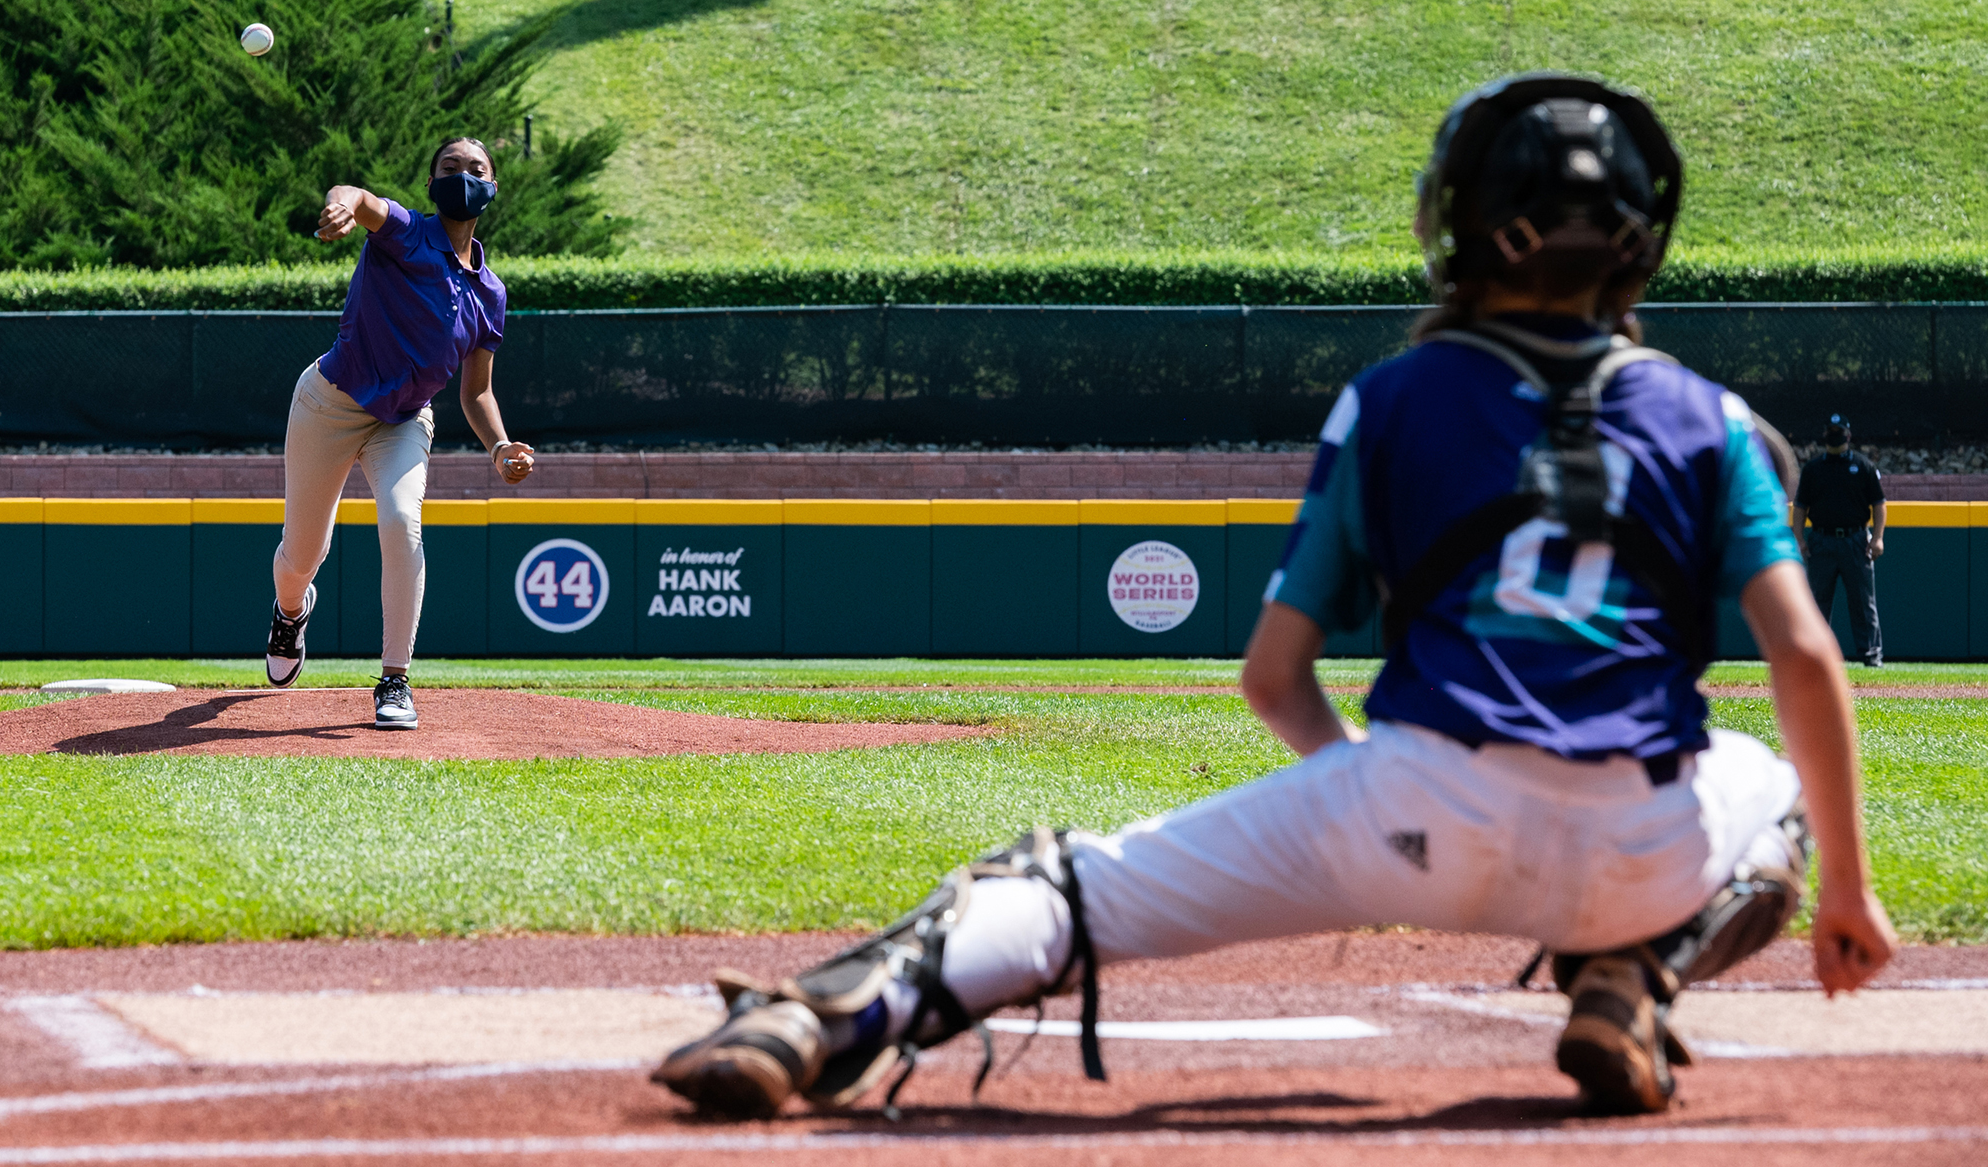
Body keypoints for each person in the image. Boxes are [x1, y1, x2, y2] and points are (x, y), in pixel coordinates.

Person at [653, 75, 1897, 1121]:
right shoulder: (1712, 416)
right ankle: (1630, 973)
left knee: (1069, 888)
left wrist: (1368, 816)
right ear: (1641, 232)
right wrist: (1846, 891)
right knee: (1771, 791)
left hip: (1410, 802)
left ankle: (823, 1016)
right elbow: (1801, 657)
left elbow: (1272, 675)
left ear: (1458, 223)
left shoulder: (1393, 396)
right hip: (1642, 846)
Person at [269, 138, 537, 727]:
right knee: (304, 553)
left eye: (475, 170)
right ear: (430, 183)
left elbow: (477, 392)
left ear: (492, 188)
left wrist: (499, 446)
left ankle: (394, 680)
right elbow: (361, 198)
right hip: (329, 405)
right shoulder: (407, 232)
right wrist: (340, 205)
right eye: (449, 168)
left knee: (400, 519)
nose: (462, 177)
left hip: (406, 419)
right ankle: (290, 613)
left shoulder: (491, 293)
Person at [1792, 414, 1886, 668]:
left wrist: (1877, 538)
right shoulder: (1813, 468)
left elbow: (1879, 503)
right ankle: (1813, 655)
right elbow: (1800, 506)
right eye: (1831, 429)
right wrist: (1799, 538)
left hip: (1855, 539)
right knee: (1816, 601)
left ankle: (1871, 655)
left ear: (1848, 433)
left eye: (1839, 429)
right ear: (1825, 433)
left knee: (1863, 601)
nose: (1835, 434)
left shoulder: (1862, 466)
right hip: (1821, 540)